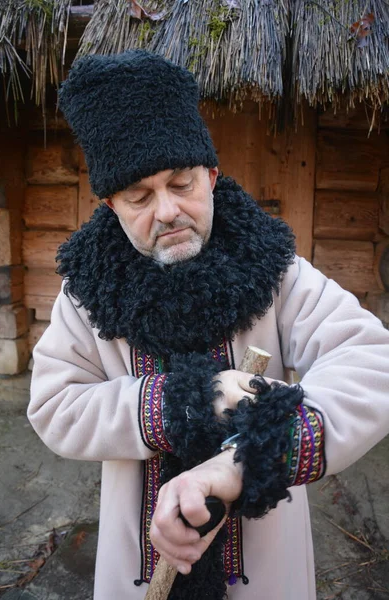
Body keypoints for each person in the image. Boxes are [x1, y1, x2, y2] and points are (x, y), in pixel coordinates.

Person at [27, 50, 389, 600]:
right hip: (140, 568)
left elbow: (373, 366)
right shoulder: (85, 295)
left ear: (211, 176)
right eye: (139, 196)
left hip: (264, 572)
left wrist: (244, 462)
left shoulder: (277, 273)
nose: (168, 210)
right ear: (110, 204)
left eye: (182, 183)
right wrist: (184, 402)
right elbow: (57, 406)